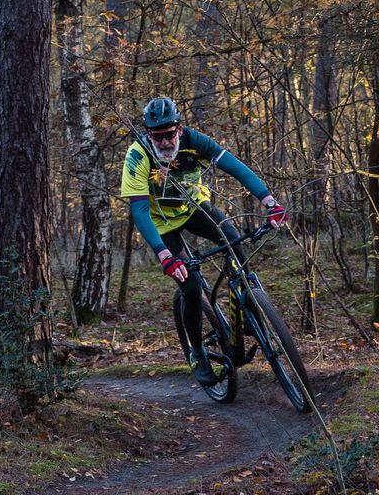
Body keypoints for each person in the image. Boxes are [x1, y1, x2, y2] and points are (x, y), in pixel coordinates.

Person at [119, 96, 286, 386]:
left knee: (234, 241)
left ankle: (245, 305)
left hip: (195, 208)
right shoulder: (137, 156)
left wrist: (270, 202)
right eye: (157, 136)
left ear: (179, 129)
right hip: (161, 224)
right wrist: (164, 255)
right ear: (147, 134)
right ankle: (197, 352)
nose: (164, 142)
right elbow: (139, 211)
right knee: (191, 287)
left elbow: (237, 168)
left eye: (169, 134)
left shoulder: (196, 141)